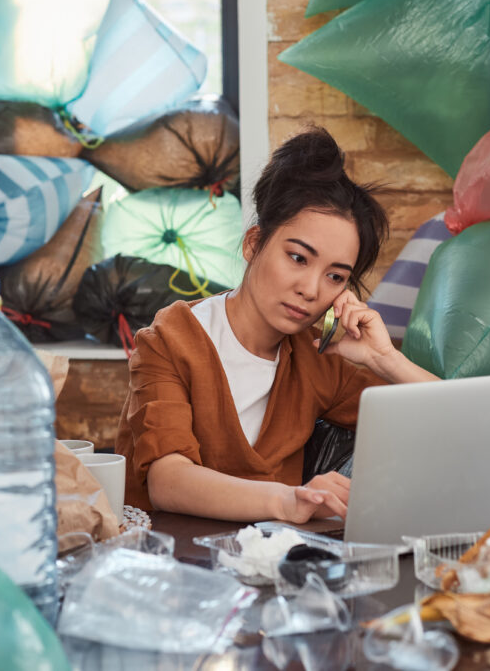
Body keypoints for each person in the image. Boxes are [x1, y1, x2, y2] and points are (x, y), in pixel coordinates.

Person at [114, 127, 437, 523]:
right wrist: (288, 499)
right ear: (253, 244)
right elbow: (168, 481)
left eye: (335, 276)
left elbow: (458, 420)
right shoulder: (170, 340)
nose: (310, 289)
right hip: (173, 565)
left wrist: (384, 358)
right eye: (299, 258)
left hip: (272, 568)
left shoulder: (316, 357)